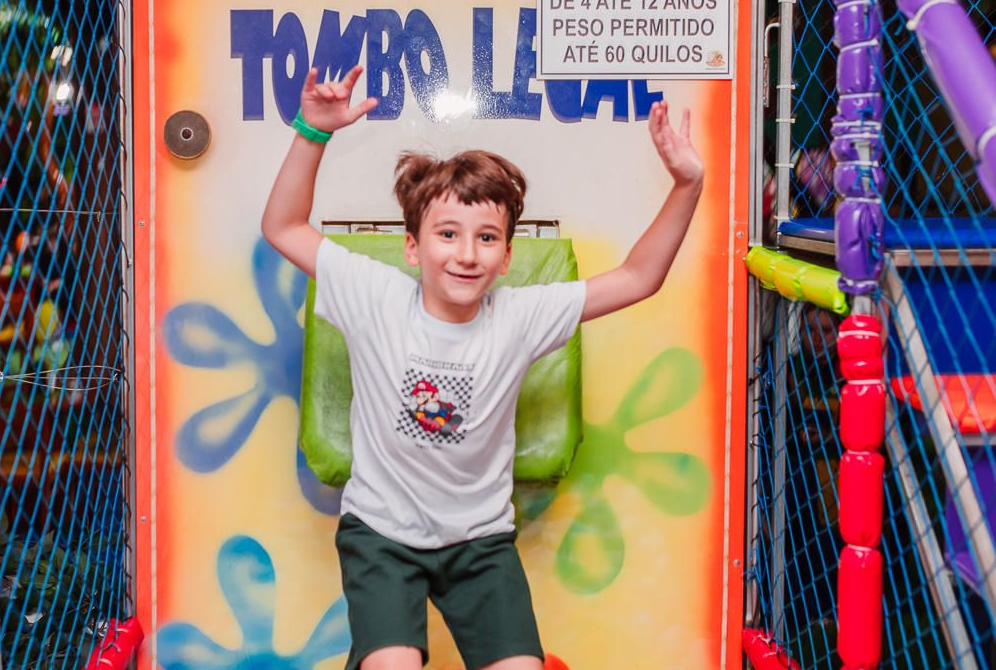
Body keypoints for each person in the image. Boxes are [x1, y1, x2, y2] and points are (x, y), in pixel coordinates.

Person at [260, 65, 704, 670]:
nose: (466, 254)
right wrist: (312, 132)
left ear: (507, 256)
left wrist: (686, 185)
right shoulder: (375, 295)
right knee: (394, 664)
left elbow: (638, 278)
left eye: (487, 238)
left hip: (479, 543)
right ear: (413, 247)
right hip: (383, 536)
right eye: (447, 233)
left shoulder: (519, 317)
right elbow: (282, 227)